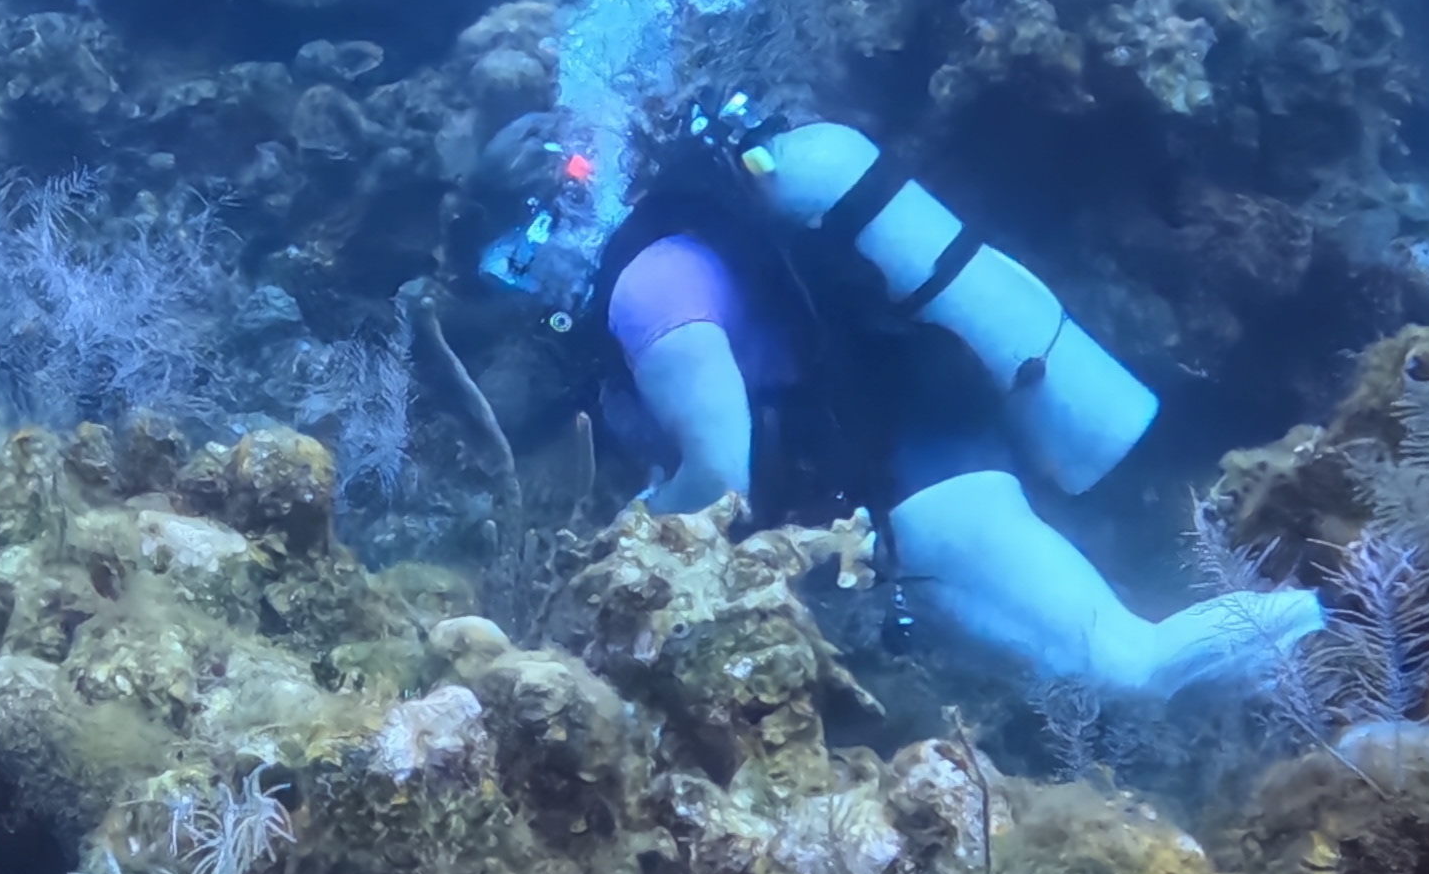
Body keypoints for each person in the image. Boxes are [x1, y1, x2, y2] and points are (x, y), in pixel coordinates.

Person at [554, 94, 1322, 704]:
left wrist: (632, 540)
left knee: (1128, 665)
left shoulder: (644, 289)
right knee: (1104, 674)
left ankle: (1346, 618)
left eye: (518, 254)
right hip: (904, 470)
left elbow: (722, 472)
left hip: (915, 474)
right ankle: (1315, 675)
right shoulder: (687, 254)